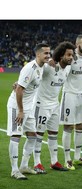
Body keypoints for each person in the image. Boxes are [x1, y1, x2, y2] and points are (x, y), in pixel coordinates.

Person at [7, 43, 50, 180]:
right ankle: (14, 170)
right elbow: (19, 89)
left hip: (29, 107)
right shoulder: (30, 68)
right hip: (17, 107)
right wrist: (20, 110)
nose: (48, 56)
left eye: (49, 53)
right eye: (46, 54)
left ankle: (24, 165)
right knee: (16, 136)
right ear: (38, 54)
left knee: (32, 136)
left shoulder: (42, 67)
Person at [32, 41, 75, 173]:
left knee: (53, 134)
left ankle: (54, 161)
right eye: (68, 55)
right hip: (41, 105)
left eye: (72, 55)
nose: (71, 57)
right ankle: (37, 163)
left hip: (55, 105)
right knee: (39, 134)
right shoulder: (48, 66)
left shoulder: (68, 68)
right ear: (61, 55)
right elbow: (34, 67)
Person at [59, 34, 82, 170]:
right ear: (77, 44)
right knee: (68, 127)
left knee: (80, 127)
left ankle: (78, 157)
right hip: (70, 95)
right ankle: (67, 159)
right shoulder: (70, 58)